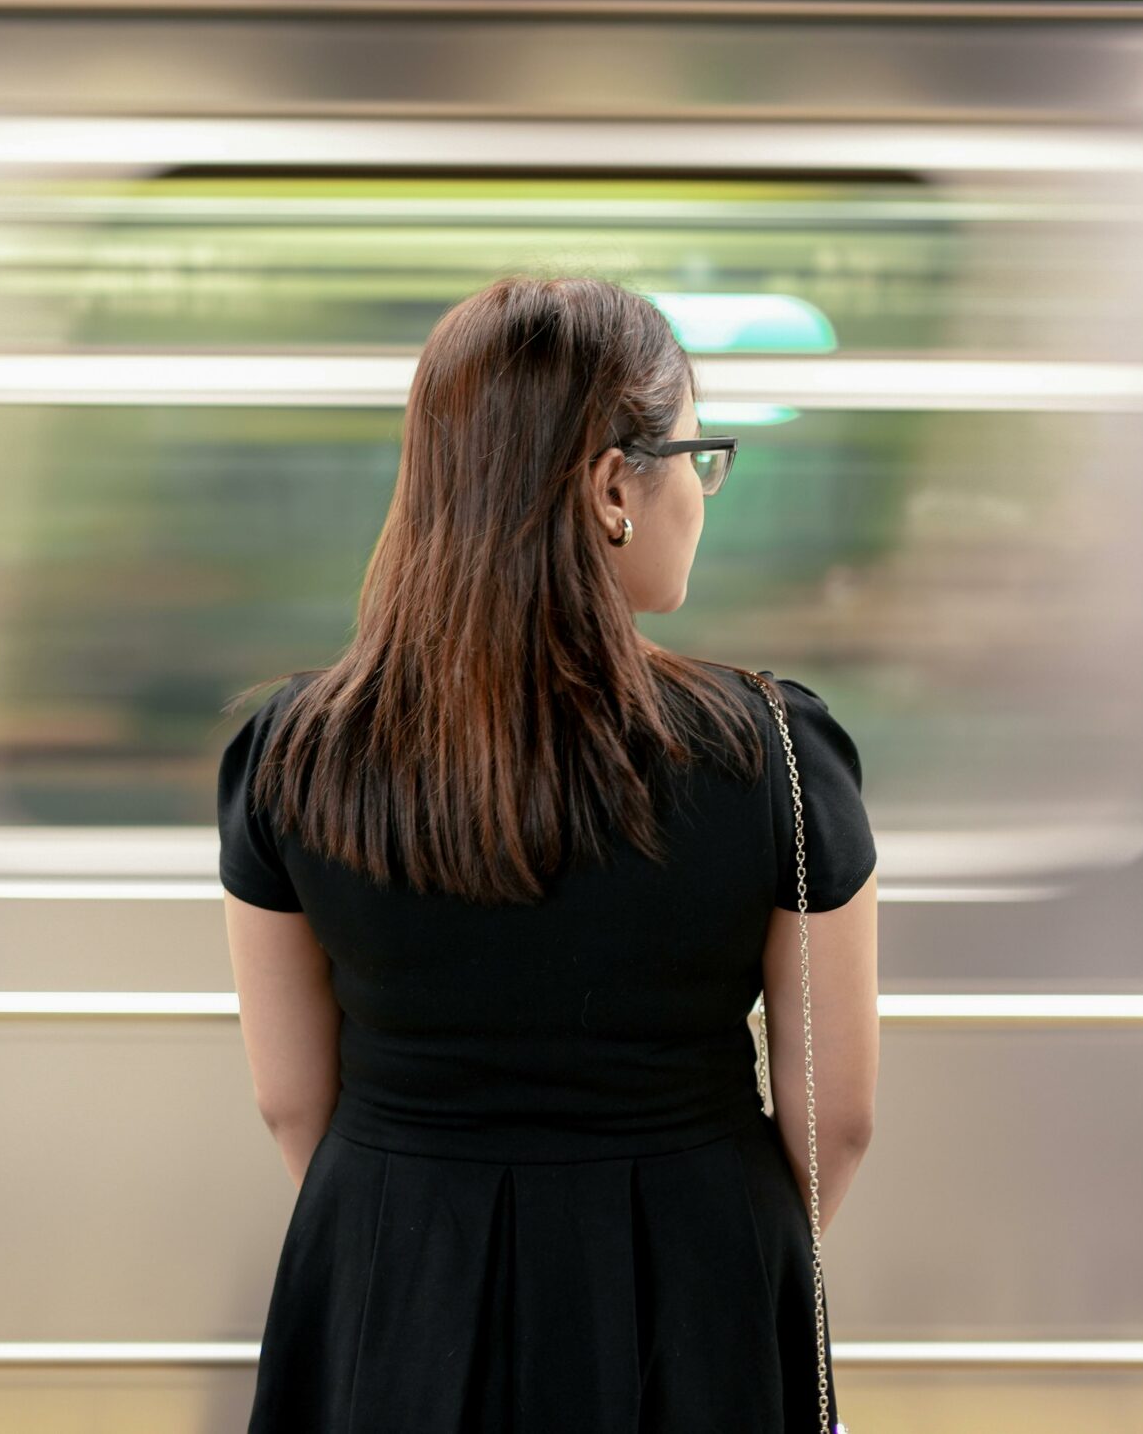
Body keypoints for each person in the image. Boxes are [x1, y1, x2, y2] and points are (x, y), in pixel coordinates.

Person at [217, 275, 881, 1433]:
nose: (701, 497)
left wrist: (418, 1247)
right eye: (695, 457)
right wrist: (700, 1261)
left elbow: (288, 1100)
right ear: (612, 484)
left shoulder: (292, 751)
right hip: (697, 1274)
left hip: (388, 1264)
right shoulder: (775, 750)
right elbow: (839, 1117)